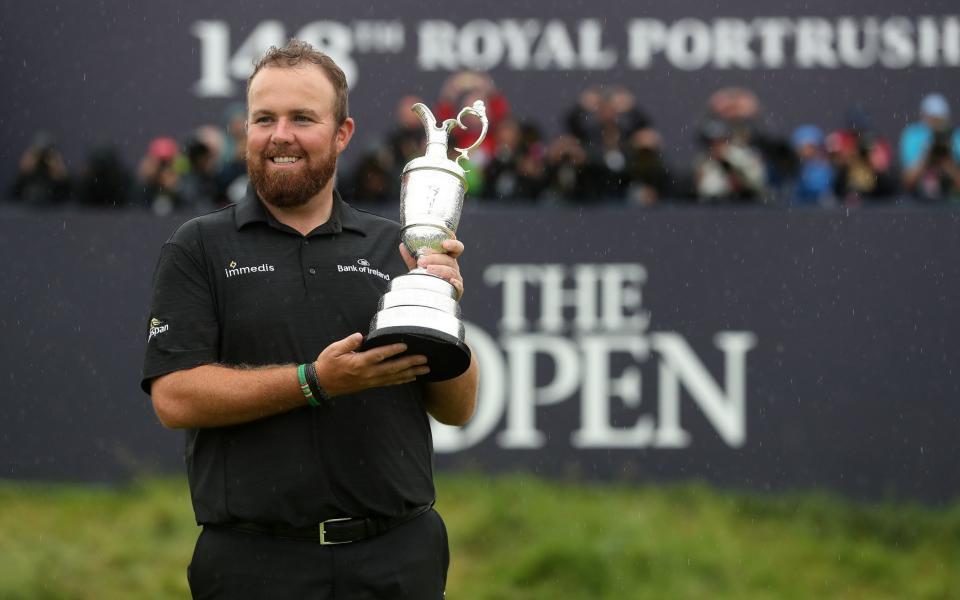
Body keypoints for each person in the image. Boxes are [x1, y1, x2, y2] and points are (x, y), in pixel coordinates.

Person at [141, 39, 478, 599]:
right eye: (264, 118)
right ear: (245, 129)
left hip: (397, 557)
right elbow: (175, 398)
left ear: (342, 133)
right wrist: (314, 382)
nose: (281, 136)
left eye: (303, 118)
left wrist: (446, 308)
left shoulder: (396, 245)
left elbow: (458, 408)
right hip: (253, 564)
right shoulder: (198, 246)